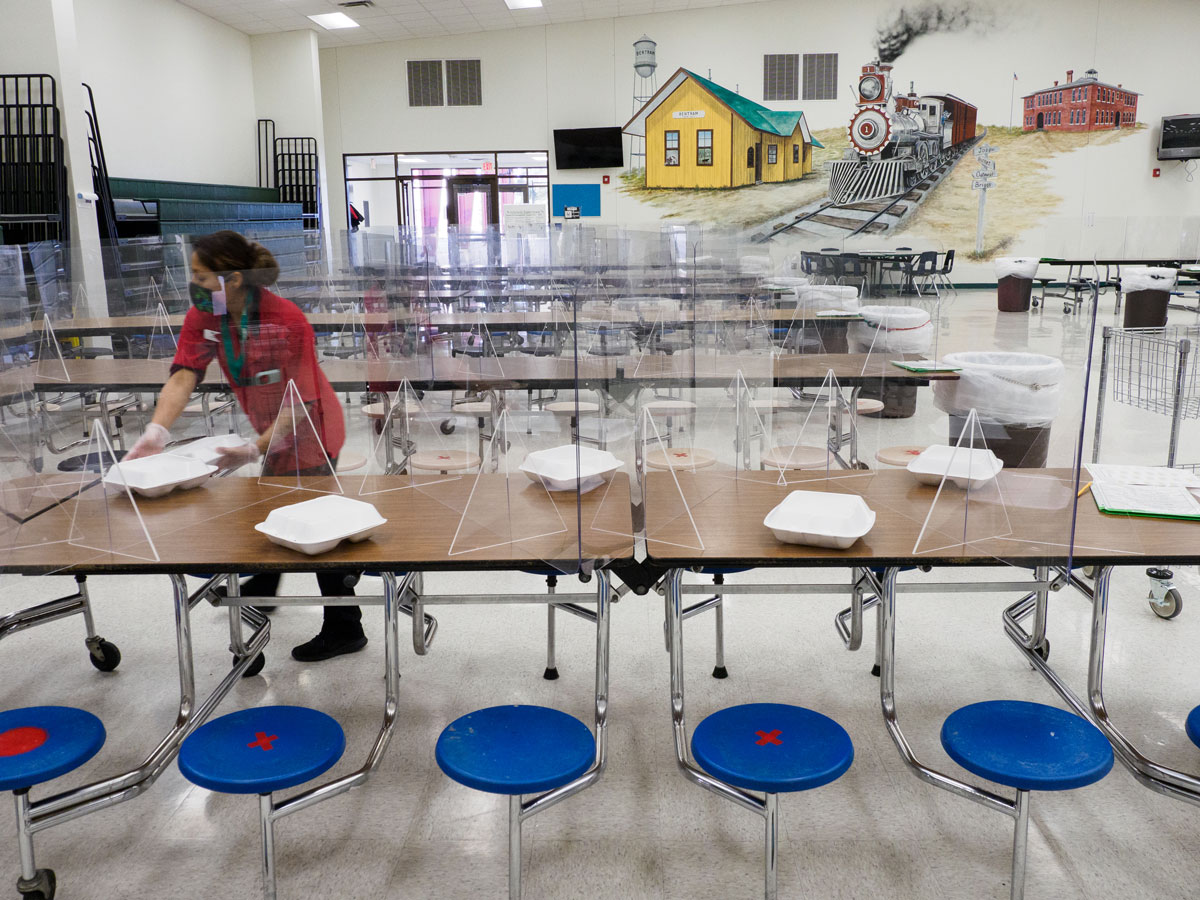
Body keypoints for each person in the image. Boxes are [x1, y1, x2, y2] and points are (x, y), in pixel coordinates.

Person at [124, 230, 366, 662]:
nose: (193, 283)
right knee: (272, 504)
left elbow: (301, 400)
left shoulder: (285, 318)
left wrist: (257, 448)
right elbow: (183, 375)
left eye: (200, 276)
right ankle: (266, 583)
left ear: (233, 279)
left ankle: (346, 626)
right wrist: (155, 432)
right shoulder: (206, 316)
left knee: (315, 521)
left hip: (313, 429)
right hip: (272, 432)